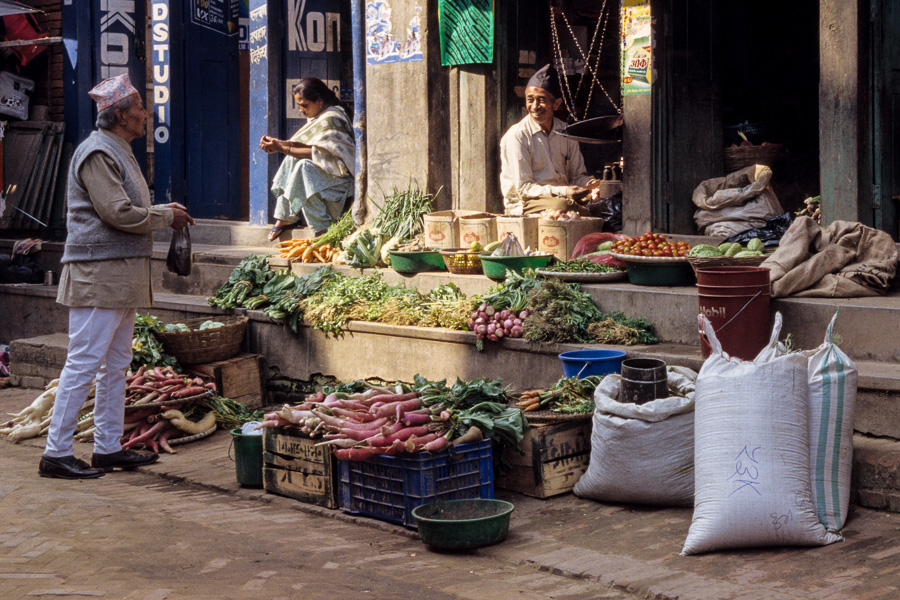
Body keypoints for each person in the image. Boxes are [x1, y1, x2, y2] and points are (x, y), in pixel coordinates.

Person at [38, 73, 194, 480]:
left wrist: (163, 210)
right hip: (98, 274)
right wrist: (165, 216)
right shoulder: (97, 152)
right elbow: (116, 213)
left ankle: (107, 448)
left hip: (119, 275)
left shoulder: (117, 148)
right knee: (84, 364)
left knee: (115, 365)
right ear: (122, 115)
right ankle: (56, 452)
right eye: (141, 107)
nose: (147, 114)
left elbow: (121, 208)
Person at [260, 78, 356, 241]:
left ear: (319, 101)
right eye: (299, 105)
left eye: (304, 105)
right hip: (327, 175)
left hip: (342, 182)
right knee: (293, 159)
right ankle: (284, 215)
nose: (301, 110)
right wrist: (278, 145)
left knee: (304, 168)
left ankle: (321, 229)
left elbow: (319, 152)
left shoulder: (332, 118)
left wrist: (282, 147)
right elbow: (306, 146)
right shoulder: (320, 116)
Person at [499, 64, 600, 215]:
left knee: (604, 202)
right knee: (564, 206)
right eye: (530, 100)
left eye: (541, 100)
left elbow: (577, 176)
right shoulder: (518, 135)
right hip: (526, 202)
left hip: (563, 197)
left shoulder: (566, 132)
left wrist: (593, 186)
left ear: (556, 104)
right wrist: (564, 191)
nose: (534, 106)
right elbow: (524, 189)